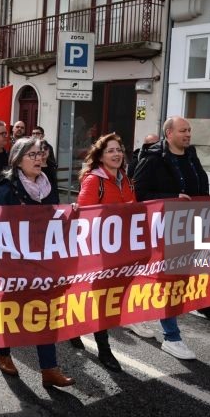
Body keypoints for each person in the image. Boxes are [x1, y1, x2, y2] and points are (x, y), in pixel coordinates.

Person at [0, 137, 75, 388]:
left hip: (43, 260)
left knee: (44, 312)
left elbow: (56, 216)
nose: (39, 159)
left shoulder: (49, 185)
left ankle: (49, 369)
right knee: (10, 311)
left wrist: (73, 213)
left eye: (41, 154)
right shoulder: (5, 189)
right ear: (18, 160)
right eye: (33, 155)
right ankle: (3, 354)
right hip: (14, 263)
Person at [132, 116, 210, 360]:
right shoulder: (153, 159)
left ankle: (135, 313)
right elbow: (140, 193)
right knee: (169, 281)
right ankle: (172, 337)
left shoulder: (191, 156)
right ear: (169, 134)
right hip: (164, 229)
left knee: (175, 280)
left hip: (190, 227)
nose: (188, 135)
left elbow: (200, 187)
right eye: (183, 131)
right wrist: (171, 197)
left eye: (189, 130)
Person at [68, 133, 136, 372]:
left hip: (120, 250)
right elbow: (86, 217)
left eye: (119, 149)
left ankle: (74, 328)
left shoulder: (125, 178)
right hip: (98, 251)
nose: (116, 154)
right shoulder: (93, 180)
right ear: (101, 155)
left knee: (108, 298)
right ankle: (104, 350)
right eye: (110, 151)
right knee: (101, 299)